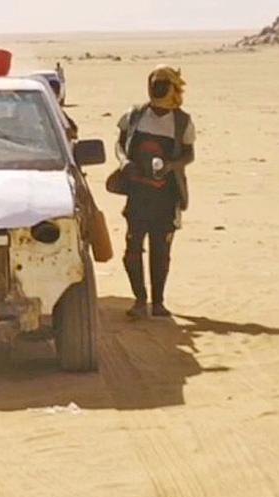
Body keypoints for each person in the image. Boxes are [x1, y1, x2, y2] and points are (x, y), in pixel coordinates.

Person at [116, 65, 196, 319]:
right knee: (132, 247)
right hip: (138, 193)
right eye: (155, 82)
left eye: (163, 82)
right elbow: (119, 143)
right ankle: (140, 299)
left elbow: (189, 153)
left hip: (166, 195)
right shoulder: (136, 115)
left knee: (161, 250)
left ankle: (158, 302)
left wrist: (171, 166)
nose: (157, 87)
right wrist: (124, 163)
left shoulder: (182, 121)